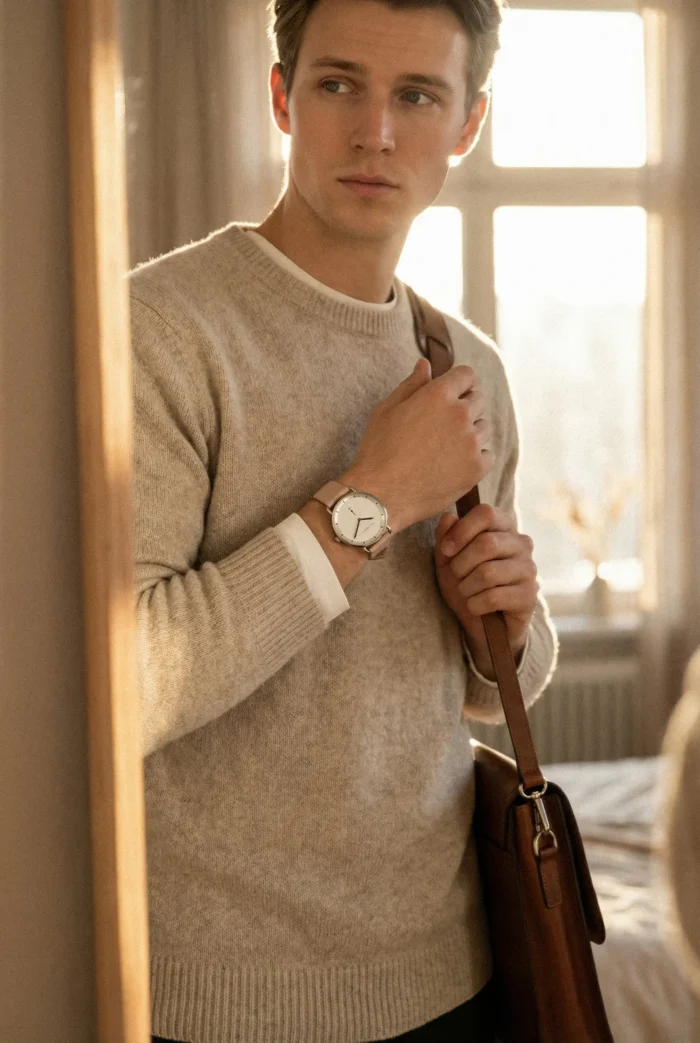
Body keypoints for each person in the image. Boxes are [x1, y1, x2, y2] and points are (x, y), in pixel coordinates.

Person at [130, 0, 560, 1040]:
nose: (375, 132)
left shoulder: (469, 367)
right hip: (217, 1000)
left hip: (454, 976)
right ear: (282, 96)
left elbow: (490, 690)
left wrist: (502, 620)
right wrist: (372, 502)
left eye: (416, 95)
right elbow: (127, 679)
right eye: (338, 85)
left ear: (466, 123)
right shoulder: (157, 330)